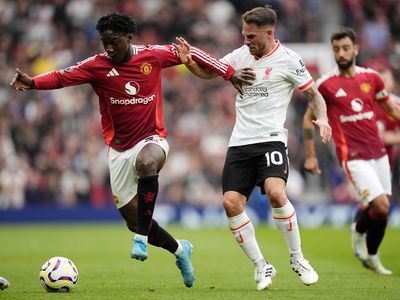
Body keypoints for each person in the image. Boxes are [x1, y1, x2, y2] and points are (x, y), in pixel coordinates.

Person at [9, 12, 251, 288]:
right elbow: (63, 77)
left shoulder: (152, 55)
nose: (109, 47)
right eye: (104, 42)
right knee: (134, 221)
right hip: (119, 150)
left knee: (147, 166)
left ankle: (141, 240)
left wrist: (228, 72)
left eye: (114, 41)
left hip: (152, 140)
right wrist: (32, 83)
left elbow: (191, 51)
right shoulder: (96, 66)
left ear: (129, 37)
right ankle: (180, 250)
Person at [173, 6, 331, 290]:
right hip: (240, 142)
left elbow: (314, 95)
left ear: (269, 33)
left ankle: (298, 258)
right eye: (244, 35)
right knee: (230, 204)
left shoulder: (289, 60)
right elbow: (210, 74)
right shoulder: (239, 55)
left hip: (270, 138)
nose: (246, 41)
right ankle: (262, 266)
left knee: (275, 192)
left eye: (251, 36)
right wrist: (190, 63)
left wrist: (323, 118)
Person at [303, 27, 400, 275]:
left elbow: (391, 108)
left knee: (381, 210)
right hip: (354, 157)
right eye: (336, 49)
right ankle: (358, 230)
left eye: (346, 48)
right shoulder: (325, 85)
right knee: (380, 206)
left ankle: (372, 256)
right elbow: (307, 120)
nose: (341, 53)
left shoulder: (371, 78)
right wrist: (312, 155)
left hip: (379, 154)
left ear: (356, 49)